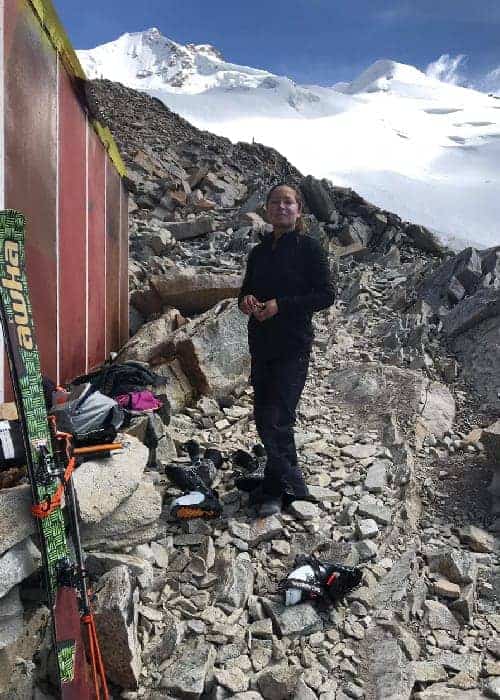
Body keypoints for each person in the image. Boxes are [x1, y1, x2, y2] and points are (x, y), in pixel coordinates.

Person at [238, 183, 336, 516]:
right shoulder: (259, 252)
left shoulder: (310, 249)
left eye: (288, 202)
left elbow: (325, 295)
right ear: (266, 209)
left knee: (277, 419)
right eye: (275, 202)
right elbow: (244, 294)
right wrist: (247, 301)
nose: (282, 207)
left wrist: (282, 305)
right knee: (265, 417)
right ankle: (279, 481)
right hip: (261, 344)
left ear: (299, 210)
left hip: (293, 345)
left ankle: (285, 489)